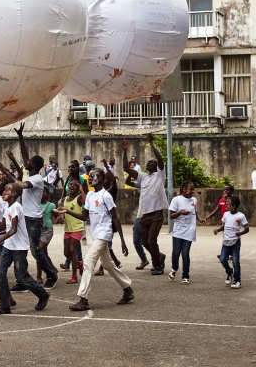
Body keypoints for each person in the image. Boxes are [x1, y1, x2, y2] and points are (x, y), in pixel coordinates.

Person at [57, 168, 133, 311]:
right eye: (89, 176)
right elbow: (85, 216)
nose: (89, 179)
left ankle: (83, 299)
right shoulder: (90, 195)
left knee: (88, 261)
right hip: (96, 234)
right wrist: (68, 211)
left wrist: (122, 241)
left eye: (92, 176)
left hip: (104, 234)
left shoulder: (106, 196)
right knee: (108, 264)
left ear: (102, 179)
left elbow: (115, 218)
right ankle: (127, 288)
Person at [0, 183, 49, 315]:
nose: (4, 191)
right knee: (0, 274)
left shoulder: (16, 207)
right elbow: (3, 227)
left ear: (14, 194)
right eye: (4, 189)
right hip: (9, 246)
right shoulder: (7, 207)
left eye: (7, 189)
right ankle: (5, 305)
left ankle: (43, 294)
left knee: (21, 277)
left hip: (19, 247)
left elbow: (13, 230)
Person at [10, 123, 59, 290]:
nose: (27, 162)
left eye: (30, 162)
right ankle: (22, 280)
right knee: (21, 249)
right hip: (26, 217)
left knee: (36, 250)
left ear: (36, 166)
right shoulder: (30, 172)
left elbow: (21, 186)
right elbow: (25, 155)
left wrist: (9, 178)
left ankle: (52, 275)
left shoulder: (37, 179)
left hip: (33, 219)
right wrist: (21, 136)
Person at [123, 134, 168, 275]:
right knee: (144, 241)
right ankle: (159, 256)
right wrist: (125, 151)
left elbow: (160, 159)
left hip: (156, 213)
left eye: (150, 162)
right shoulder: (143, 177)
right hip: (145, 213)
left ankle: (158, 266)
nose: (148, 163)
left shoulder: (160, 175)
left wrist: (151, 143)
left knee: (151, 240)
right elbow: (126, 169)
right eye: (147, 162)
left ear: (156, 166)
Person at [168, 182, 206, 284]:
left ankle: (185, 276)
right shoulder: (176, 200)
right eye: (191, 189)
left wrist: (200, 219)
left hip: (190, 230)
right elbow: (171, 216)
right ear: (183, 189)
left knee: (185, 253)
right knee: (176, 252)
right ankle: (174, 268)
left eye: (193, 189)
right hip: (178, 231)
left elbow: (195, 212)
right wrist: (180, 212)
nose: (193, 191)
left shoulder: (194, 200)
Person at [213, 196, 249, 289]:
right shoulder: (225, 215)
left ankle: (237, 281)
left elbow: (247, 228)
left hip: (235, 241)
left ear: (233, 206)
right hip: (226, 241)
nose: (226, 205)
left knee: (236, 261)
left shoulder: (241, 216)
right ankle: (229, 272)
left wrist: (240, 233)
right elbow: (223, 226)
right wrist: (218, 230)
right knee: (223, 259)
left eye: (228, 204)